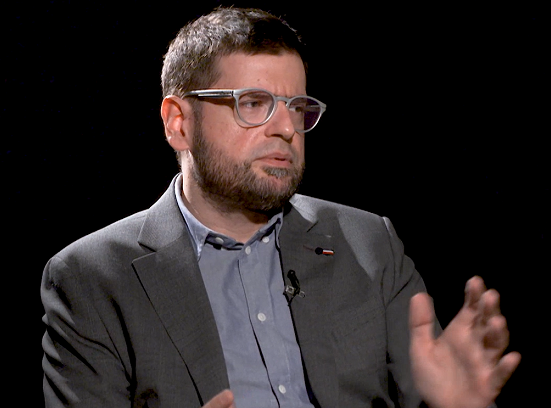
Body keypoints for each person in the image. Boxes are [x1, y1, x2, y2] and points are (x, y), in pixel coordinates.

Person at [41, 7, 521, 408]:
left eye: (296, 106)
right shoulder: (92, 278)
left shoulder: (368, 243)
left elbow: (435, 393)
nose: (287, 128)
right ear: (179, 123)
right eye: (254, 103)